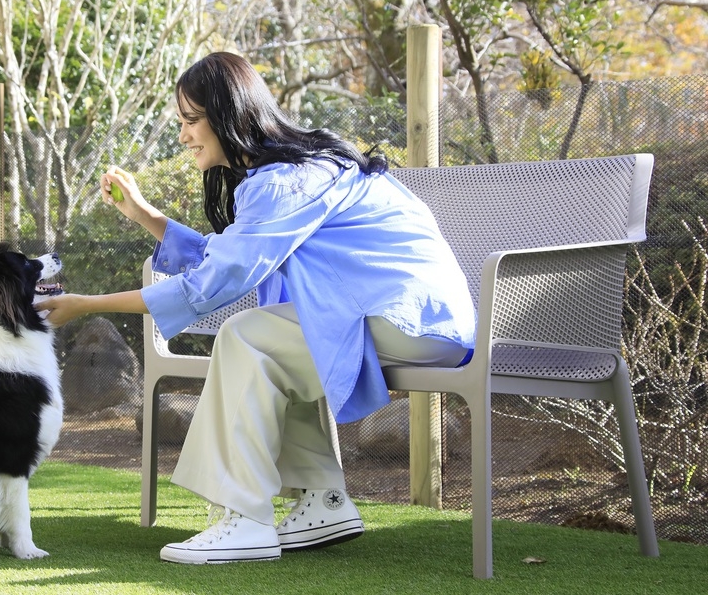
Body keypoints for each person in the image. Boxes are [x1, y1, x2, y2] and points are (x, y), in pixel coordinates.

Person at [35, 51, 476, 565]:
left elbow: (216, 282)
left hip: (408, 318)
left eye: (192, 120)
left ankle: (245, 521)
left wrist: (86, 304)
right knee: (269, 343)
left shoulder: (283, 180)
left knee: (247, 337)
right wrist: (146, 215)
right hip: (409, 317)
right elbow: (231, 259)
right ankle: (322, 500)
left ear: (229, 113)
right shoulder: (286, 173)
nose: (184, 136)